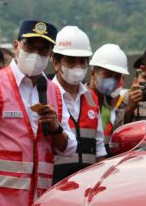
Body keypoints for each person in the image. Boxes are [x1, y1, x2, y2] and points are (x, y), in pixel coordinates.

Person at [0, 20, 77, 206]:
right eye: (30, 46)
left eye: (43, 49)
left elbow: (69, 148)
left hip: (40, 198)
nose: (36, 54)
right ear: (16, 46)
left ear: (50, 54)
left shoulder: (54, 91)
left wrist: (55, 128)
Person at [51, 26, 106, 184]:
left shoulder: (91, 98)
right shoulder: (47, 95)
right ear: (56, 62)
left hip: (88, 183)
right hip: (56, 184)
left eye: (82, 61)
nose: (77, 66)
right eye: (70, 60)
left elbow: (99, 145)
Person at [88, 44, 129, 153]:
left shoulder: (111, 108)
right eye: (107, 74)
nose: (112, 81)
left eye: (117, 76)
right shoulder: (79, 100)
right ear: (92, 74)